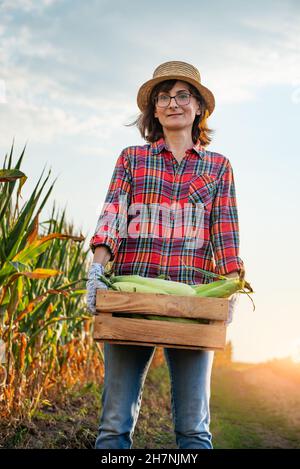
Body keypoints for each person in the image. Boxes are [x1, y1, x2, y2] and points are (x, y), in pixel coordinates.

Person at [86, 60, 245, 449]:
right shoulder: (131, 159)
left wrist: (231, 287)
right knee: (113, 426)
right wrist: (96, 272)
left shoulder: (218, 168)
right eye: (163, 97)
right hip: (130, 298)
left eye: (182, 95)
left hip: (191, 304)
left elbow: (224, 234)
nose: (173, 103)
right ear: (154, 110)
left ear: (198, 107)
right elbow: (112, 217)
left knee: (194, 430)